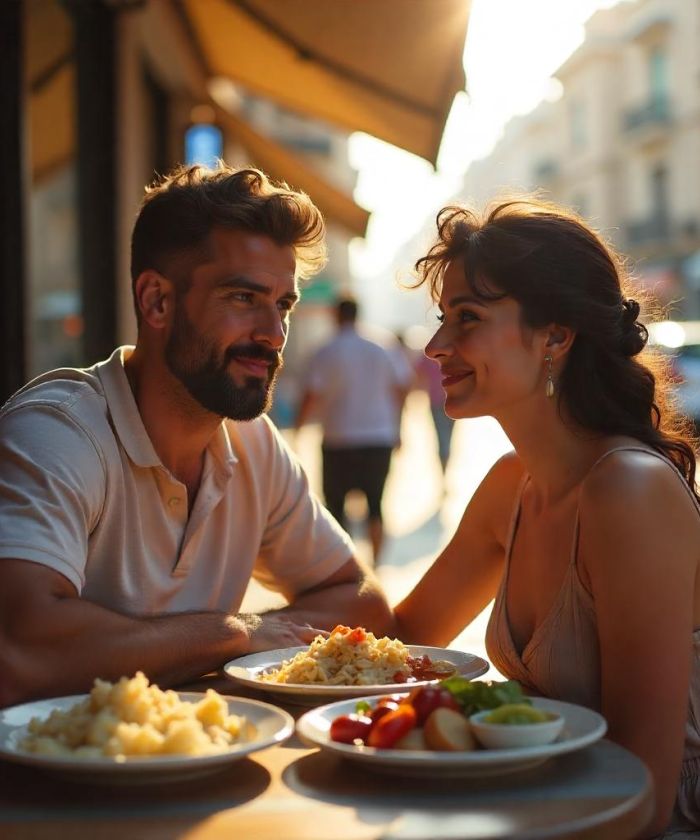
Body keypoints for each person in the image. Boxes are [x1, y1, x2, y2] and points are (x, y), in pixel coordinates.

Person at [0, 164, 391, 709]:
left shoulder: (252, 444)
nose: (273, 334)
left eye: (283, 305)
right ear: (157, 301)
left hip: (198, 770)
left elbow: (362, 603)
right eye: (243, 298)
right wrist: (234, 634)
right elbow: (17, 652)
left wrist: (234, 638)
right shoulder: (56, 434)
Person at [391, 197, 700, 838]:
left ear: (556, 335)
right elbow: (401, 642)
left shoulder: (628, 492)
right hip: (558, 807)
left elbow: (643, 793)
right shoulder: (513, 484)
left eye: (466, 318)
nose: (435, 345)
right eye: (442, 318)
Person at [295, 296, 412, 563]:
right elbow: (402, 387)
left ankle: (345, 567)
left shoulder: (326, 351)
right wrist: (398, 426)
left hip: (338, 439)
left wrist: (299, 430)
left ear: (335, 316)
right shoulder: (383, 347)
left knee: (336, 509)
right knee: (376, 506)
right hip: (378, 438)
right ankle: (377, 566)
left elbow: (311, 394)